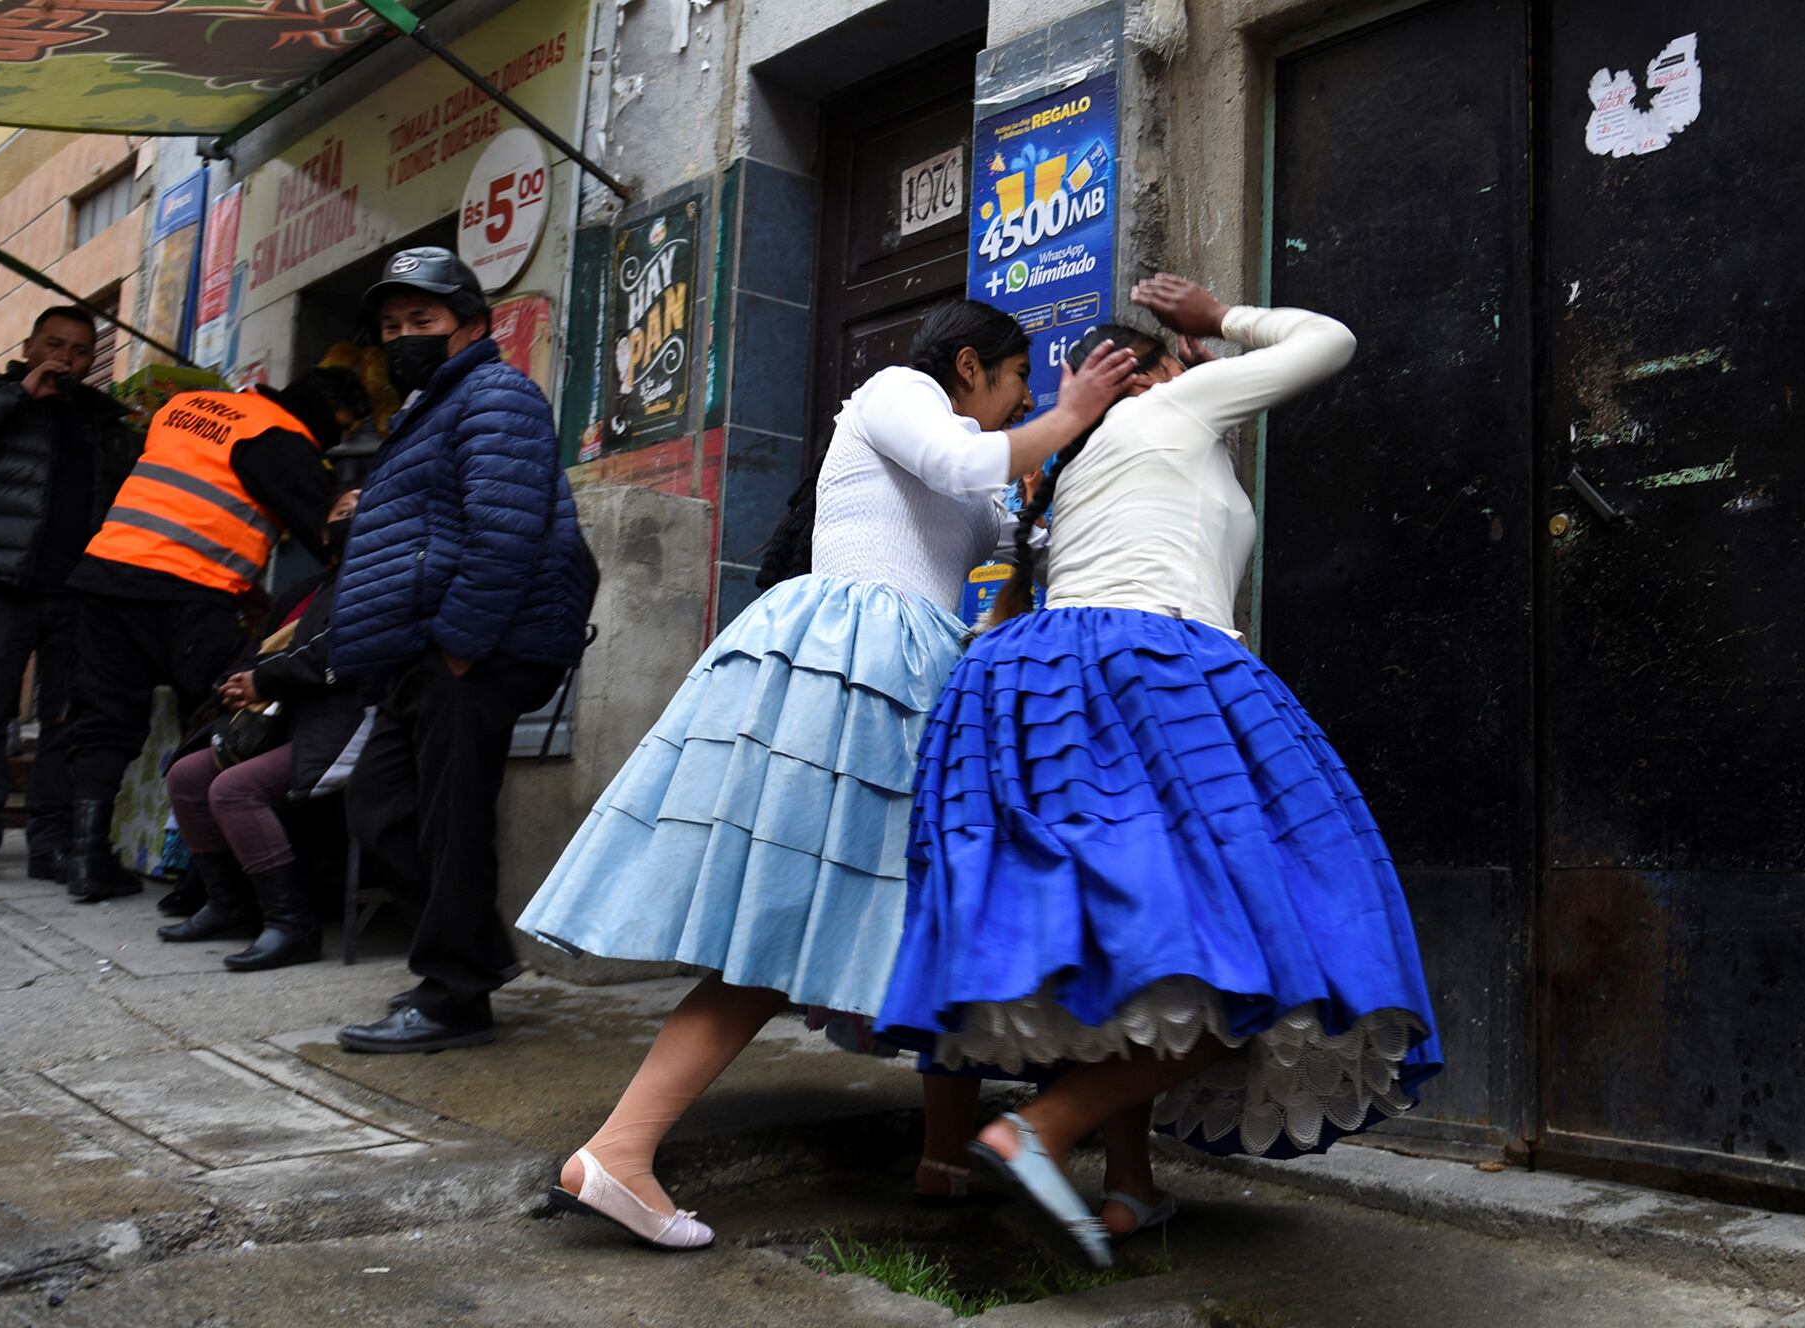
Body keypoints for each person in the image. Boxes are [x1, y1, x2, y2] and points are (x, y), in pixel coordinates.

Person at [513, 299, 1138, 1249]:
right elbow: (966, 463)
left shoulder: (976, 468)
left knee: (929, 920)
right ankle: (619, 1152)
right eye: (1017, 382)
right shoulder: (896, 393)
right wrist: (1074, 411)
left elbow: (1013, 542)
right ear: (971, 365)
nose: (1021, 403)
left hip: (911, 674)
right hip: (858, 666)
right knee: (781, 933)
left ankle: (936, 1155)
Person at [874, 276, 1443, 1270]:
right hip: (1156, 674)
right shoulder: (1171, 405)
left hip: (1044, 688)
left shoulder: (1074, 473)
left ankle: (1129, 1183)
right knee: (1272, 956)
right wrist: (1215, 315)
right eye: (1187, 361)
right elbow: (1331, 336)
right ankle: (1044, 1128)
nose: (1211, 371)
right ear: (1146, 374)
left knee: (1133, 952)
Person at [328, 247, 597, 1054]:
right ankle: (474, 956)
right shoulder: (429, 407)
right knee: (378, 808)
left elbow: (507, 529)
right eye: (392, 325)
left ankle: (454, 998)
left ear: (472, 325)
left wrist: (459, 643)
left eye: (423, 320)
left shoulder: (495, 392)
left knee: (450, 823)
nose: (404, 336)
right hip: (422, 652)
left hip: (469, 650)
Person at [56, 364, 369, 902]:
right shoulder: (281, 438)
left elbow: (185, 497)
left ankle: (87, 857)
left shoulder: (185, 407)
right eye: (337, 429)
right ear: (319, 411)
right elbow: (330, 535)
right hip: (187, 590)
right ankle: (211, 877)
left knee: (102, 714)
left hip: (107, 572)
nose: (332, 440)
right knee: (222, 712)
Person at [0, 310, 139, 891]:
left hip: (75, 590)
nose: (65, 358)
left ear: (91, 359)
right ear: (29, 344)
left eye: (78, 350)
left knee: (66, 722)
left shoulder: (101, 418)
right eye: (54, 345)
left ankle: (50, 843)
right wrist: (19, 394)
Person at [158, 487, 368, 969]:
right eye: (343, 510)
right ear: (324, 531)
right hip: (282, 719)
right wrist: (234, 684)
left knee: (234, 788)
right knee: (185, 776)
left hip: (342, 721)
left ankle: (292, 925)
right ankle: (228, 903)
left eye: (363, 507)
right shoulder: (305, 591)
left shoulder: (378, 578)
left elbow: (336, 656)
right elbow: (260, 649)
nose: (352, 516)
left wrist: (264, 680)